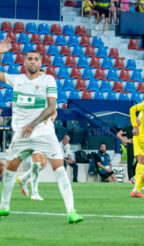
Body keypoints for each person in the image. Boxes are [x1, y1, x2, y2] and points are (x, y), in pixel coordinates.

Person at [0, 39, 83, 223]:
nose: (33, 62)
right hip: (21, 135)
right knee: (11, 169)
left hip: (44, 133)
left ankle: (71, 212)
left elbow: (51, 107)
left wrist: (32, 124)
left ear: (40, 63)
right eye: (29, 59)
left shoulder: (48, 80)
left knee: (59, 169)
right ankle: (4, 207)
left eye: (36, 59)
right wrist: (0, 53)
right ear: (24, 62)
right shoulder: (17, 80)